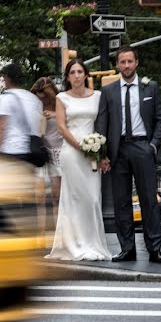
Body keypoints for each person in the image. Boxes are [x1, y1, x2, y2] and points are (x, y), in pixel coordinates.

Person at [95, 46, 161, 265]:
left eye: (129, 61)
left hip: (143, 148)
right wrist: (103, 154)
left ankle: (154, 249)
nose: (126, 65)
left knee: (149, 201)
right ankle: (127, 249)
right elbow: (102, 124)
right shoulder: (108, 92)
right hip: (119, 151)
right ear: (117, 64)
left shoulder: (150, 88)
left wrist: (153, 146)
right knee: (121, 203)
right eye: (122, 62)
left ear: (137, 62)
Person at [47, 60, 112, 261]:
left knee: (92, 198)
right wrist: (81, 147)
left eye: (80, 72)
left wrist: (100, 153)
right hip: (72, 152)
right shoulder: (61, 97)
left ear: (86, 75)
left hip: (93, 151)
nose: (76, 75)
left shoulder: (99, 96)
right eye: (72, 72)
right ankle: (74, 244)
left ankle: (93, 243)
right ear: (68, 77)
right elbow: (61, 127)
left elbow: (102, 124)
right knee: (74, 199)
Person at [0, 63, 43, 164]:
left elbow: (1, 128)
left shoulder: (3, 100)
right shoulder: (33, 99)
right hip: (31, 152)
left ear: (7, 78)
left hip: (10, 150)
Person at [31, 77, 63, 223]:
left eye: (45, 99)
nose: (42, 102)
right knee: (40, 197)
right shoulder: (34, 106)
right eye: (39, 99)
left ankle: (59, 233)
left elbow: (73, 118)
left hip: (57, 152)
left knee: (57, 195)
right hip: (40, 153)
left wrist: (55, 114)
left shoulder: (61, 103)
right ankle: (40, 233)